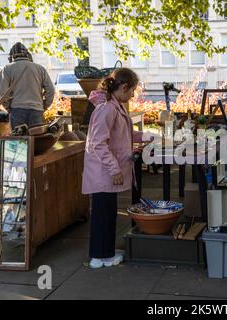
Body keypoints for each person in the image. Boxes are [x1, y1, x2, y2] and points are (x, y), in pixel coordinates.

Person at [82, 68, 145, 269]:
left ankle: (105, 252)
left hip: (106, 171)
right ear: (124, 87)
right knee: (102, 214)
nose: (133, 95)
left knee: (107, 212)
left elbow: (124, 133)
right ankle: (99, 256)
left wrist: (149, 137)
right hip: (104, 172)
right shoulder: (107, 108)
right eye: (132, 90)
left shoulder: (114, 105)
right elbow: (98, 143)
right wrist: (114, 169)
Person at [0, 42, 55, 130]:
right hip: (37, 110)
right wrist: (44, 106)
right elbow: (51, 90)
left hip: (17, 110)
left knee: (19, 142)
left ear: (12, 56)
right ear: (27, 54)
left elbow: (3, 94)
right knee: (37, 140)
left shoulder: (7, 69)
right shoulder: (40, 69)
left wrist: (9, 109)